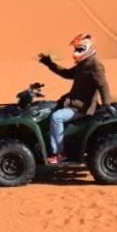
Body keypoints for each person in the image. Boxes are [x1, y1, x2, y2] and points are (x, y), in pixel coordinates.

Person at [38, 33, 111, 164]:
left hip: (82, 107)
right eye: (76, 49)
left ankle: (59, 153)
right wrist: (50, 64)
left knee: (57, 117)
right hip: (73, 103)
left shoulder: (94, 64)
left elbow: (103, 85)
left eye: (80, 49)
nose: (76, 52)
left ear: (89, 48)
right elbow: (66, 73)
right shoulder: (83, 63)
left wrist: (107, 104)